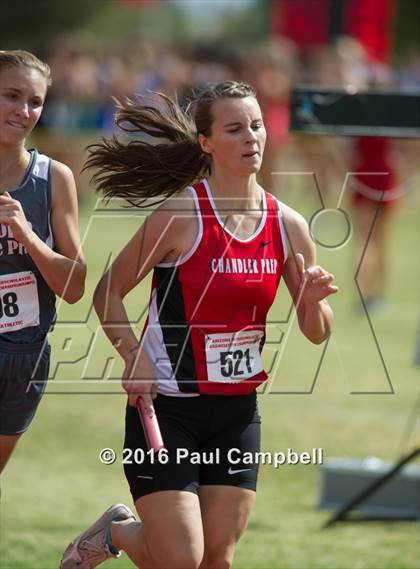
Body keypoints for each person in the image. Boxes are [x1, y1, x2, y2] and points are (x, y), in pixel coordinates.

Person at [61, 81, 337, 569]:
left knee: (217, 561)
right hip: (169, 406)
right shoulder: (183, 214)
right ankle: (121, 533)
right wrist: (133, 354)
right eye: (234, 129)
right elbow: (108, 290)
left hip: (237, 414)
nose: (251, 136)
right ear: (206, 142)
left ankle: (121, 531)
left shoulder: (287, 224)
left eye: (255, 125)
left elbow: (317, 330)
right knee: (182, 561)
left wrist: (312, 303)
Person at [0, 50, 86, 474]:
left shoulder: (54, 178)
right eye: (12, 96)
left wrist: (27, 234)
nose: (24, 111)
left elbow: (74, 286)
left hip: (24, 353)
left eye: (35, 101)